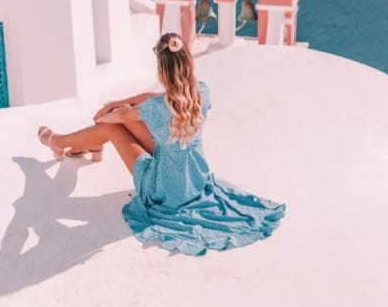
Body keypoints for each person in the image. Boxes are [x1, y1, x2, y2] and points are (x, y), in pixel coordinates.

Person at [38, 32, 285, 256]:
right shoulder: (201, 92)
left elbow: (105, 119)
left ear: (162, 72)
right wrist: (123, 103)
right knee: (130, 119)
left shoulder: (156, 108)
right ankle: (88, 147)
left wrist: (113, 108)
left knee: (111, 127)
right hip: (195, 180)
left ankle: (59, 142)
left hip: (164, 190)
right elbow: (153, 100)